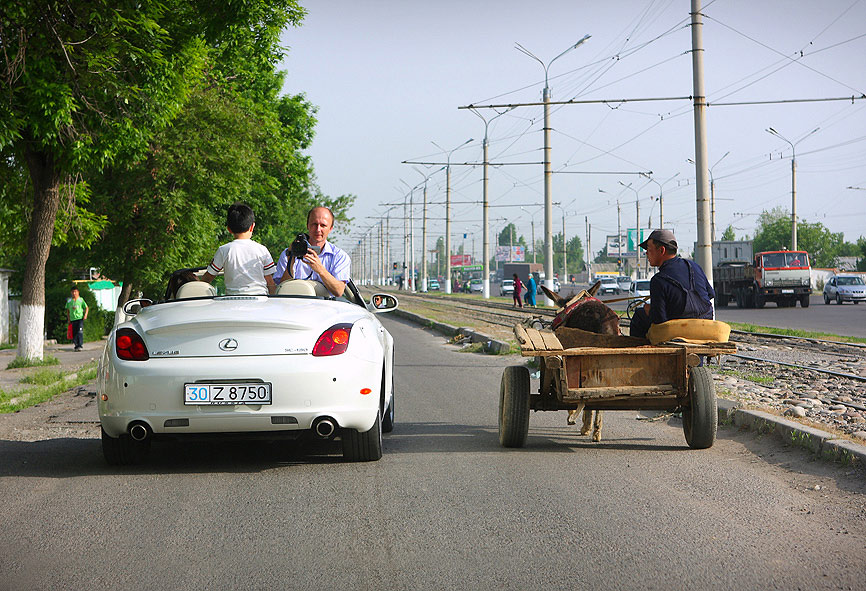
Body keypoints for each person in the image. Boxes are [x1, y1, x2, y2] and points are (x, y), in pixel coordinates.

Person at [628, 229, 715, 339]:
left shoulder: (658, 280)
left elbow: (659, 319)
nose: (646, 254)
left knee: (639, 315)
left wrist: (649, 310)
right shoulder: (694, 266)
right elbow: (711, 294)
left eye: (649, 249)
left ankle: (644, 354)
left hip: (680, 329)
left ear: (662, 250)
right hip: (705, 323)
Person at [274, 206, 350, 297]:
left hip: (326, 308)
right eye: (314, 224)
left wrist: (320, 270)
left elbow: (338, 291)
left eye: (323, 225)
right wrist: (291, 259)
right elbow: (281, 290)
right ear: (307, 225)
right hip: (295, 306)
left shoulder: (339, 256)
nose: (318, 229)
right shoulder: (289, 253)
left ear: (330, 229)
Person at [202, 203, 277, 295]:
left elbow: (208, 277)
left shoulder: (224, 250)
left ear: (229, 229)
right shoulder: (262, 250)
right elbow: (270, 282)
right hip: (260, 301)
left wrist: (196, 285)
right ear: (252, 227)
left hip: (232, 302)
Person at [65, 286, 89, 351]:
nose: (74, 293)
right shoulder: (69, 301)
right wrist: (69, 319)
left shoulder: (81, 300)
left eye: (75, 292)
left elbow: (86, 307)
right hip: (73, 319)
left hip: (80, 318)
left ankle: (80, 345)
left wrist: (85, 315)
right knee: (74, 332)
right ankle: (76, 345)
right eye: (73, 292)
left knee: (80, 331)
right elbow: (68, 310)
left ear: (78, 292)